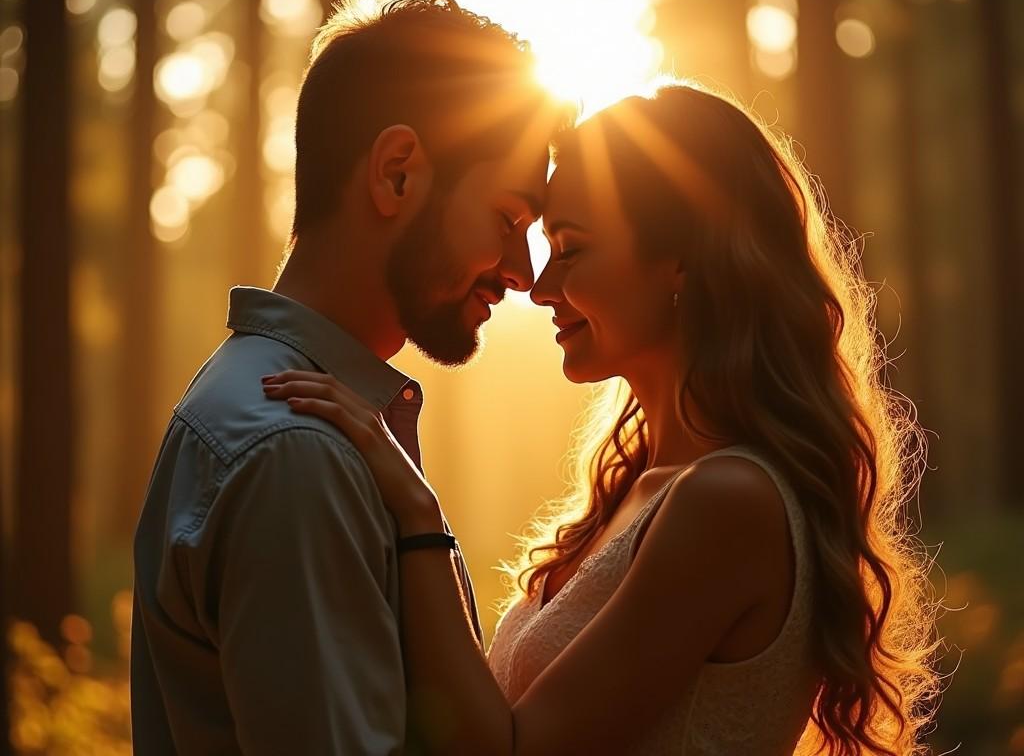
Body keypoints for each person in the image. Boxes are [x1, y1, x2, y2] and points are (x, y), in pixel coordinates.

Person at [263, 82, 939, 754]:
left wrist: (415, 513)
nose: (542, 287)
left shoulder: (729, 502)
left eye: (572, 248)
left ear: (682, 260)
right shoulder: (654, 486)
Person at [130, 0, 571, 754]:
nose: (522, 274)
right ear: (397, 174)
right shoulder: (296, 453)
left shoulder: (281, 418)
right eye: (507, 218)